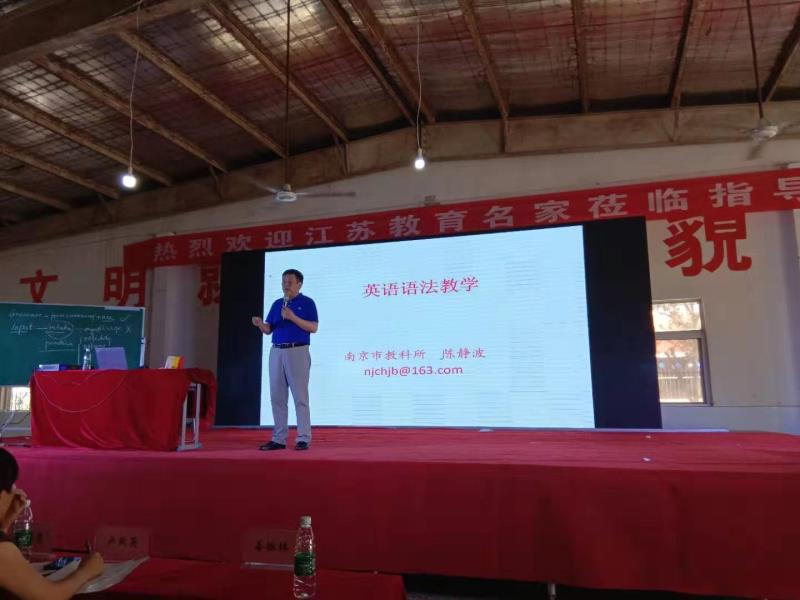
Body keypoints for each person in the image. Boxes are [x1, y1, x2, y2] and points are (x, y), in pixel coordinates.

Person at [0, 448, 105, 599]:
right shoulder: (3, 551)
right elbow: (51, 596)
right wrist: (86, 572)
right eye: (13, 486)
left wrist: (6, 522)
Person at [252, 268, 319, 451]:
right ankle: (279, 438)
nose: (286, 285)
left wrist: (292, 317)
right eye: (284, 282)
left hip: (297, 351)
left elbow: (313, 328)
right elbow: (269, 329)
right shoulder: (277, 304)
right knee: (277, 397)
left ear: (299, 284)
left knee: (300, 397)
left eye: (290, 282)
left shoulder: (307, 303)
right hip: (277, 352)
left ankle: (303, 437)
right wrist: (260, 324)